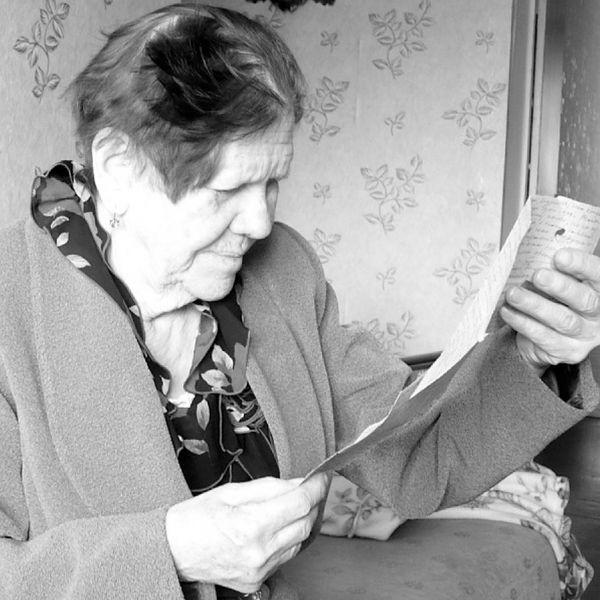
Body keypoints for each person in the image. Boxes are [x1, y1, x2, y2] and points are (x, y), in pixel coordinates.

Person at [1, 4, 599, 600]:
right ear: (118, 168)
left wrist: (535, 358)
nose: (261, 223)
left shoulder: (283, 271)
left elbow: (419, 453)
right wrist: (170, 552)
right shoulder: (11, 304)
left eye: (272, 182)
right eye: (229, 189)